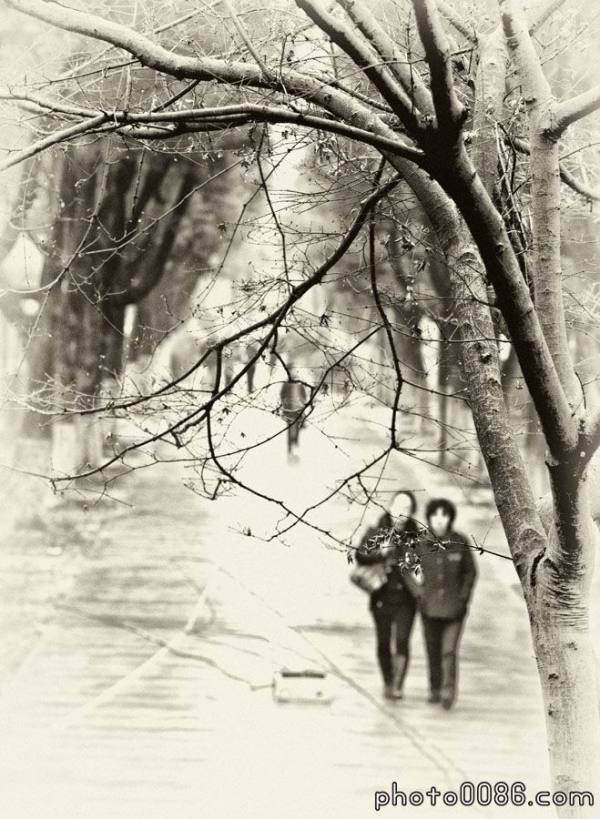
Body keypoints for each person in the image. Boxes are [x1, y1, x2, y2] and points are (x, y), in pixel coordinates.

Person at [355, 491, 422, 700]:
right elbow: (360, 555)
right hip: (382, 596)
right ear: (390, 507)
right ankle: (388, 682)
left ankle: (397, 686)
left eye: (407, 508)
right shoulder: (376, 531)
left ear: (411, 513)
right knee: (383, 642)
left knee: (402, 641)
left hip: (406, 598)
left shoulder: (417, 536)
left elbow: (425, 562)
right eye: (398, 506)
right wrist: (380, 552)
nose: (401, 512)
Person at [418, 498, 477, 710]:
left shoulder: (459, 542)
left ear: (450, 518)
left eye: (444, 515)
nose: (439, 519)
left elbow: (470, 573)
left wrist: (463, 598)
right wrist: (419, 594)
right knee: (432, 650)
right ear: (429, 517)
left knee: (449, 651)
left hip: (454, 610)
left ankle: (448, 691)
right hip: (429, 608)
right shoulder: (421, 543)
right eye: (435, 515)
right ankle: (434, 688)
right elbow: (407, 570)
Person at [280, 372, 308, 457]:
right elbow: (282, 394)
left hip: (298, 408)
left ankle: (295, 441)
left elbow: (304, 395)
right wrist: (285, 402)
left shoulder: (300, 385)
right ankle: (289, 445)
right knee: (289, 426)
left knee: (298, 425)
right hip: (289, 408)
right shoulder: (286, 384)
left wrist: (302, 402)